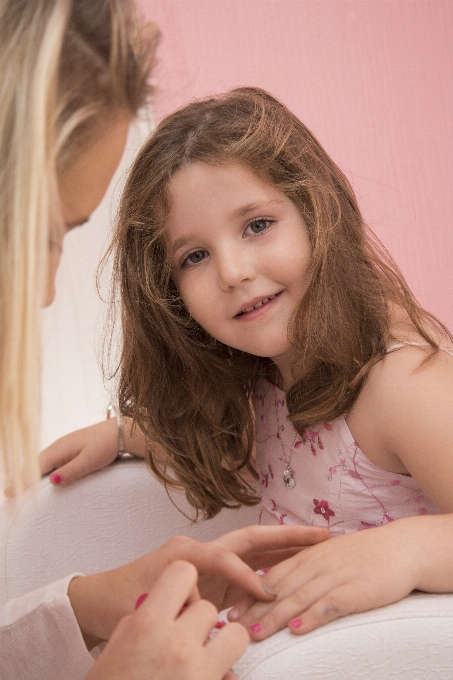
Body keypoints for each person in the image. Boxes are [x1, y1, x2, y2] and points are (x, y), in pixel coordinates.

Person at [42, 86, 453, 644]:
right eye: (194, 256)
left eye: (257, 225)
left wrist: (409, 550)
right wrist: (120, 434)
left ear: (317, 214)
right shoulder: (269, 385)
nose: (232, 271)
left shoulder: (401, 385)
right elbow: (235, 447)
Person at [0, 4, 328, 677]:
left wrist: (84, 603)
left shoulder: (401, 384)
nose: (43, 292)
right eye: (42, 235)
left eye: (258, 225)